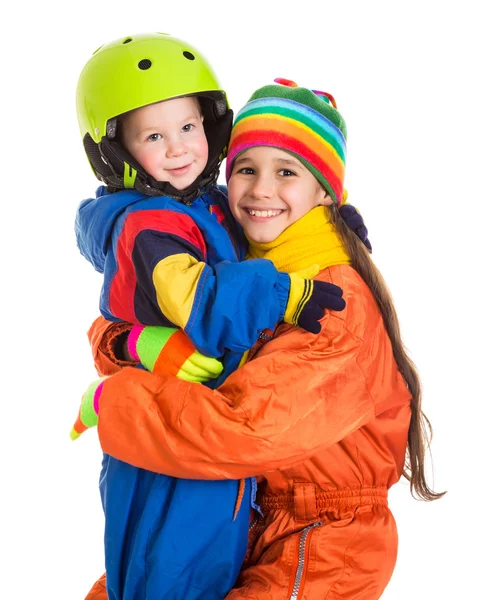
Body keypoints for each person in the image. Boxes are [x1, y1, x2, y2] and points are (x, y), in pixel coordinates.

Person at [77, 79, 443, 599]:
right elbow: (133, 313)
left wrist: (113, 402)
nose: (260, 190)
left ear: (325, 191)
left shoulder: (331, 299)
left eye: (286, 172)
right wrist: (130, 346)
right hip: (243, 517)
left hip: (323, 541)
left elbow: (246, 432)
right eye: (246, 169)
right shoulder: (239, 267)